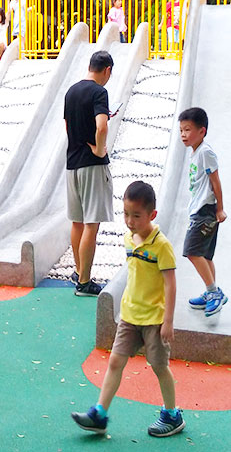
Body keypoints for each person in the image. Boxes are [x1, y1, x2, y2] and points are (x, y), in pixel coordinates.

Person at [71, 181, 183, 437]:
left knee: (159, 366)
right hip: (130, 316)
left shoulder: (161, 246)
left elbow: (170, 283)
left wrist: (168, 320)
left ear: (152, 215)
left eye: (137, 216)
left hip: (154, 318)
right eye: (126, 214)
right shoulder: (128, 239)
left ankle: (172, 414)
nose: (130, 221)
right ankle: (100, 414)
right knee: (115, 361)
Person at [63, 50, 115, 297]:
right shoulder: (99, 92)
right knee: (91, 224)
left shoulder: (71, 92)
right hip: (92, 166)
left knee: (77, 221)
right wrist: (99, 149)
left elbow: (67, 125)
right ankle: (84, 282)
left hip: (72, 163)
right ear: (107, 70)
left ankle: (78, 270)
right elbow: (102, 126)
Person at [178, 107, 228, 317]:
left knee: (192, 251)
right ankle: (212, 292)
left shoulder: (205, 152)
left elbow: (215, 181)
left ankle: (213, 292)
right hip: (199, 209)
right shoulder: (196, 152)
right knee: (205, 256)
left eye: (188, 130)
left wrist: (220, 208)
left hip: (205, 210)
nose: (183, 134)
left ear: (202, 131)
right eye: (181, 130)